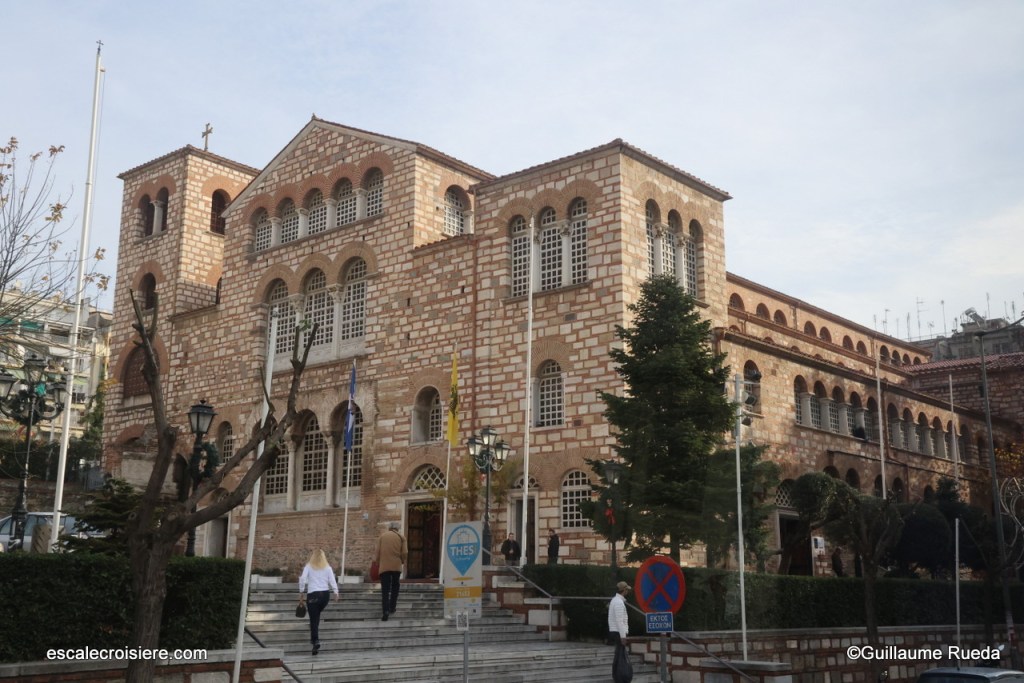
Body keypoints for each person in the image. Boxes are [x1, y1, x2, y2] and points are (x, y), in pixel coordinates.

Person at [298, 548, 339, 655]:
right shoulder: (328, 567)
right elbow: (332, 580)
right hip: (325, 596)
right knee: (316, 617)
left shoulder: (308, 566)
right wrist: (336, 592)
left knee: (314, 619)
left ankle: (315, 641)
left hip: (313, 595)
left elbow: (302, 579)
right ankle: (314, 640)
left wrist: (301, 592)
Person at [375, 521, 408, 621]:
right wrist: (402, 561)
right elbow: (405, 552)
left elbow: (377, 552)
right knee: (395, 587)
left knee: (385, 590)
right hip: (396, 566)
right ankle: (392, 607)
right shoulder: (402, 538)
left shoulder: (382, 537)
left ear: (389, 528)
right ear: (397, 528)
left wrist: (378, 562)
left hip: (384, 567)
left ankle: (385, 611)